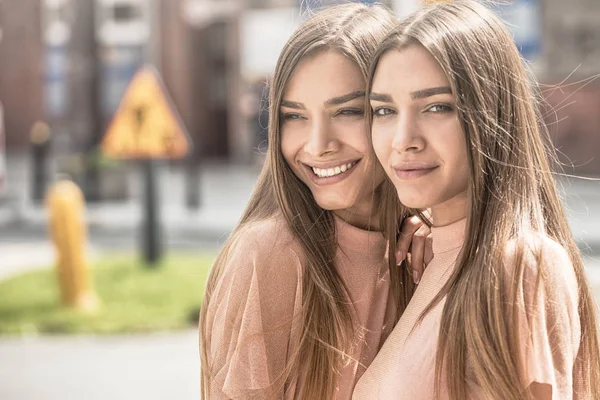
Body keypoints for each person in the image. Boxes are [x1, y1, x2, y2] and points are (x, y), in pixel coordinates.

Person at [353, 1, 600, 399]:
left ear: (492, 113)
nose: (403, 139)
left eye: (437, 107)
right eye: (383, 110)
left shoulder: (520, 266)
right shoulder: (432, 260)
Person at [199, 4, 430, 399]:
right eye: (295, 116)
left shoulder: (424, 247)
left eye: (347, 111)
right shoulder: (269, 254)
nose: (319, 145)